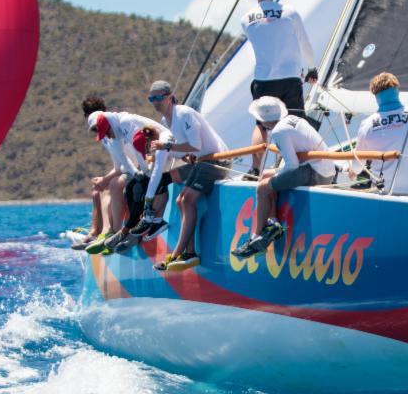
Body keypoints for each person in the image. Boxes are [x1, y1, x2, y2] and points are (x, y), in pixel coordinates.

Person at [139, 80, 230, 271]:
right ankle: (187, 251)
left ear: (170, 97)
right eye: (151, 99)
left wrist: (167, 147)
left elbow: (195, 145)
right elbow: (185, 150)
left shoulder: (184, 114)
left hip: (215, 161)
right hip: (200, 162)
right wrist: (159, 154)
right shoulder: (166, 121)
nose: (155, 102)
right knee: (180, 199)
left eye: (158, 97)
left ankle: (180, 253)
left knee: (186, 200)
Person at [232, 96, 335, 258]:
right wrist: (272, 178)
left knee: (262, 187)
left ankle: (256, 238)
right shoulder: (293, 119)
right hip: (321, 168)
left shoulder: (279, 131)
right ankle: (272, 222)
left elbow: (292, 165)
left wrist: (270, 182)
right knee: (266, 175)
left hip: (316, 172)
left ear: (264, 121)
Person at [241, 0, 318, 178]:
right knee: (296, 123)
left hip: (263, 79)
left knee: (261, 125)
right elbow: (304, 43)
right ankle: (298, 166)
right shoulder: (290, 12)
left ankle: (255, 168)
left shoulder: (246, 19)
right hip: (290, 78)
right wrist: (311, 67)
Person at [85, 110, 169, 254]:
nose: (107, 136)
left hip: (164, 151)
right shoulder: (115, 131)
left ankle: (131, 232)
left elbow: (138, 148)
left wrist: (143, 173)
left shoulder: (124, 122)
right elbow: (124, 161)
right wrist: (137, 174)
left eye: (107, 132)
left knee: (138, 188)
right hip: (150, 160)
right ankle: (125, 231)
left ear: (110, 125)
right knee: (131, 188)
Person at [349, 72, 408, 197]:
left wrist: (352, 171)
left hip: (385, 191)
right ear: (397, 90)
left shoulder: (367, 125)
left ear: (375, 95)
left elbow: (358, 164)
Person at [72, 96, 110, 250]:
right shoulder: (104, 132)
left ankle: (107, 232)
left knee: (103, 190)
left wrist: (107, 179)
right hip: (124, 171)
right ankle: (95, 231)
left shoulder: (111, 128)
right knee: (96, 192)